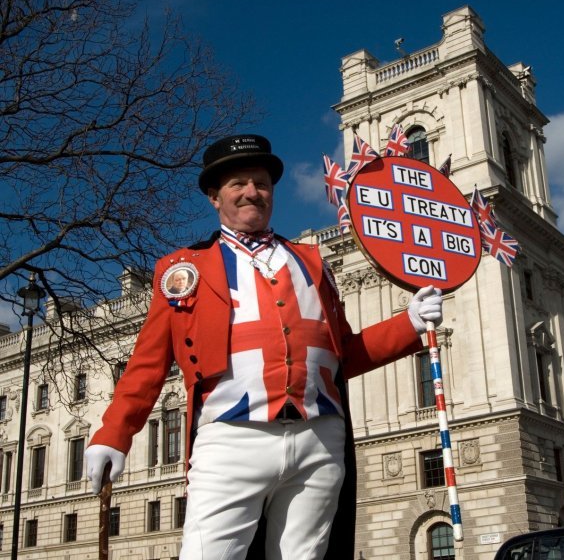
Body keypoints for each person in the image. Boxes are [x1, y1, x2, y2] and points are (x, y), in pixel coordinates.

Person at [84, 134, 443, 560]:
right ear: (215, 197)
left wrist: (409, 323)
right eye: (238, 183)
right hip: (232, 439)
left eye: (261, 183)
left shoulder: (313, 262)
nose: (252, 192)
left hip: (318, 439)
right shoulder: (184, 269)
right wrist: (113, 434)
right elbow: (148, 364)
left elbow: (341, 354)